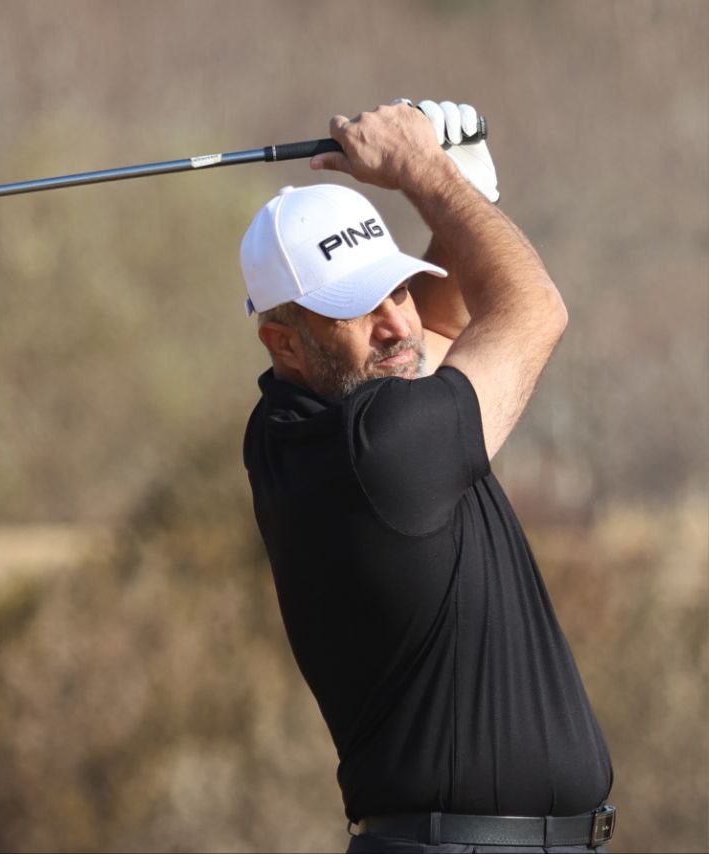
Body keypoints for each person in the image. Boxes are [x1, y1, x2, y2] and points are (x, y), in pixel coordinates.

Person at [240, 99, 615, 853]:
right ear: (284, 342)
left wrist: (462, 197)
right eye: (356, 308)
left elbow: (434, 335)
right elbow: (534, 311)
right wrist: (427, 173)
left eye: (400, 287)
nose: (397, 323)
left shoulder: (292, 430)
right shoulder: (377, 451)